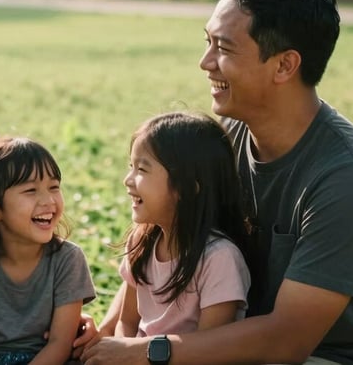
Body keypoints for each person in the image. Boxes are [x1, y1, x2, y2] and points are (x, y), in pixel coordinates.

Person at [81, 0, 353, 365]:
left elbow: (287, 343)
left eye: (224, 48)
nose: (205, 62)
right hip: (221, 343)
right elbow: (160, 234)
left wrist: (147, 352)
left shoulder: (350, 178)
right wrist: (105, 339)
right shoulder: (225, 137)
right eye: (208, 42)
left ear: (284, 65)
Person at [97, 112, 251, 345]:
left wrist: (133, 354)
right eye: (131, 166)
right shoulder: (142, 242)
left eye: (142, 169)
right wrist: (121, 351)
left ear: (186, 188)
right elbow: (126, 321)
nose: (128, 180)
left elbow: (208, 350)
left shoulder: (219, 258)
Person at [0, 136, 96, 365]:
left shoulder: (68, 260)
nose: (48, 200)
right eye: (30, 191)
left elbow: (60, 343)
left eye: (54, 187)